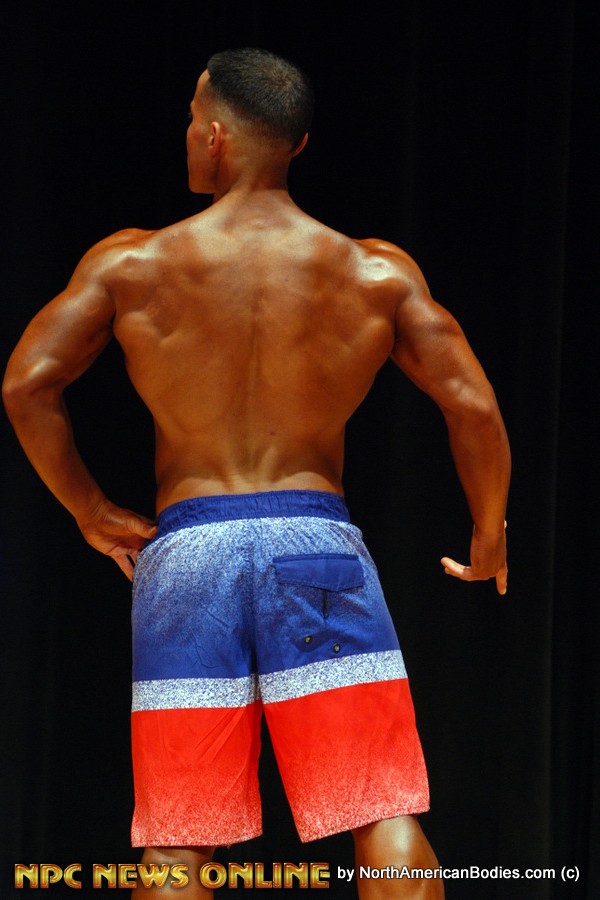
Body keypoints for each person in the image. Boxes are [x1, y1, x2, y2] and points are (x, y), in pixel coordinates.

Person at [3, 48, 509, 899]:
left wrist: (88, 509)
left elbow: (26, 385)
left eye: (188, 121)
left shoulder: (132, 264)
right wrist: (489, 532)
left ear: (213, 136)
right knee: (381, 813)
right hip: (317, 549)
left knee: (178, 843)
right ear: (298, 144)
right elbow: (474, 407)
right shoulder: (372, 271)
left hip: (188, 556)